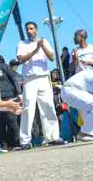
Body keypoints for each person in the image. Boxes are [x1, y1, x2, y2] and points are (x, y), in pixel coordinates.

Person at [16, 22, 65, 150]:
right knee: (28, 109)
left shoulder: (44, 41)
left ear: (36, 30)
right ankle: (25, 140)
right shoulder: (22, 44)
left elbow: (52, 57)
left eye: (31, 29)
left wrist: (42, 46)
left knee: (48, 107)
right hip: (30, 79)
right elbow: (21, 60)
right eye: (27, 29)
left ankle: (53, 137)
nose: (29, 31)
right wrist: (35, 49)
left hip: (43, 78)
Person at [0, 58, 22, 150]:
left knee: (11, 119)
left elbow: (14, 79)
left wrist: (19, 93)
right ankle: (2, 144)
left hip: (8, 95)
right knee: (0, 121)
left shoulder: (4, 67)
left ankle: (16, 142)